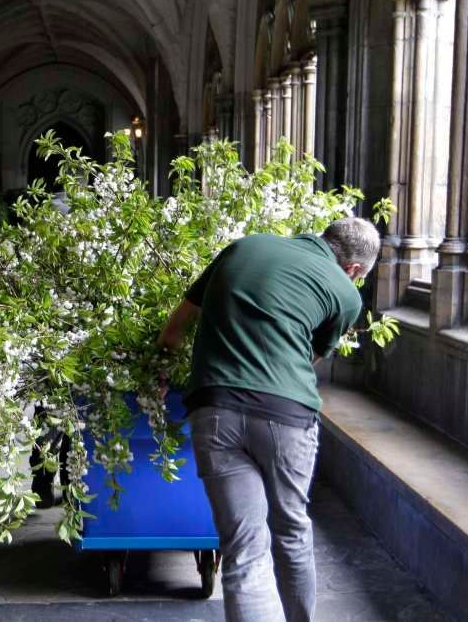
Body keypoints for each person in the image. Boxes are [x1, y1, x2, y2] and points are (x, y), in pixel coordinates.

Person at [157, 218, 381, 622]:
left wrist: (162, 365)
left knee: (243, 548)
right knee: (292, 532)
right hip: (286, 416)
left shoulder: (245, 247)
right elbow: (306, 357)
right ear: (354, 270)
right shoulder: (347, 295)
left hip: (215, 408)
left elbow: (175, 327)